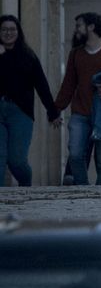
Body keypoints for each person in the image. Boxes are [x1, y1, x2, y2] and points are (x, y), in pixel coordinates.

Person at [52, 13, 101, 186]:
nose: (76, 30)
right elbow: (68, 84)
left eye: (79, 26)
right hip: (80, 114)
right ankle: (83, 192)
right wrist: (55, 109)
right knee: (76, 154)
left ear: (91, 27)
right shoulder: (76, 55)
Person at [0, 15, 59, 186]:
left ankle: (26, 187)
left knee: (16, 161)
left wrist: (52, 112)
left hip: (20, 112)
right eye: (4, 29)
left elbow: (42, 85)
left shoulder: (28, 56)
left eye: (12, 29)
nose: (8, 33)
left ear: (18, 32)